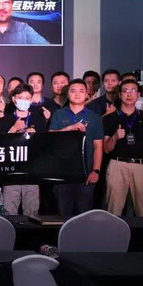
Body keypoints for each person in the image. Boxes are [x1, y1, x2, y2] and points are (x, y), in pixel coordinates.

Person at [102, 79, 143, 216]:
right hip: (117, 165)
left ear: (138, 95)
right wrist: (115, 137)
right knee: (113, 210)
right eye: (125, 91)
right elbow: (106, 149)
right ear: (120, 95)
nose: (129, 94)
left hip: (141, 166)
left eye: (133, 91)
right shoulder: (109, 118)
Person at [49, 79, 104, 217]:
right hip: (62, 173)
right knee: (63, 214)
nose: (77, 94)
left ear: (87, 94)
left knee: (84, 215)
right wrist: (70, 128)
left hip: (86, 173)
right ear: (67, 94)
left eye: (81, 91)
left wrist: (96, 171)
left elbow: (98, 146)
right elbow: (50, 138)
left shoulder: (94, 117)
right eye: (73, 91)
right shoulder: (58, 114)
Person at [0, 83, 48, 216]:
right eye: (20, 98)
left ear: (31, 100)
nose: (23, 101)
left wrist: (35, 137)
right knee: (8, 212)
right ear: (14, 99)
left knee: (32, 212)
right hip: (11, 173)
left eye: (27, 98)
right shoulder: (4, 121)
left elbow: (45, 147)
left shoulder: (39, 120)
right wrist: (14, 129)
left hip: (32, 173)